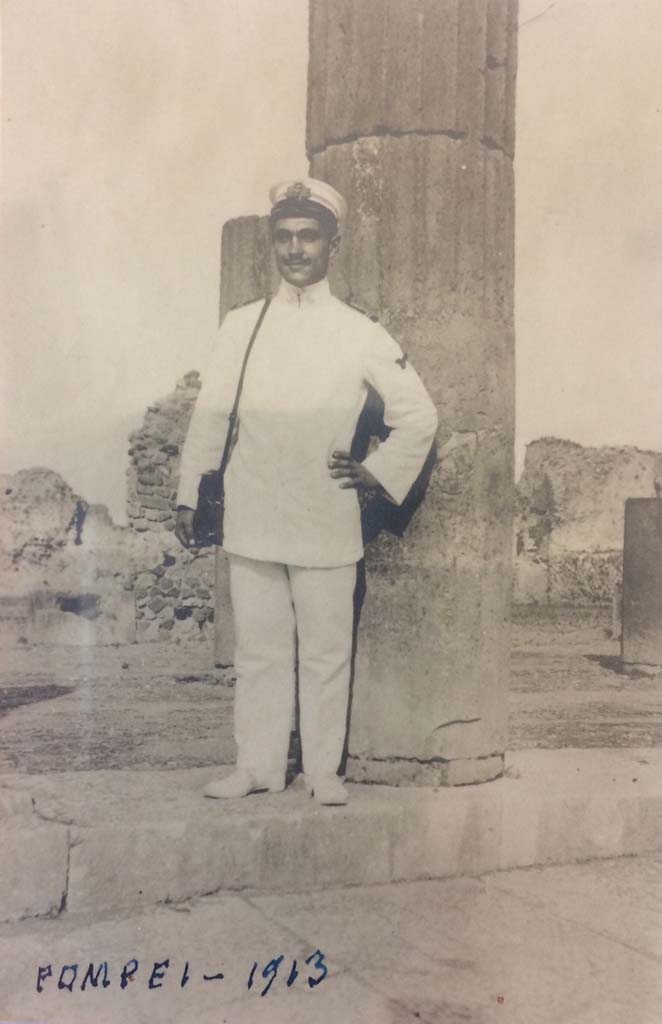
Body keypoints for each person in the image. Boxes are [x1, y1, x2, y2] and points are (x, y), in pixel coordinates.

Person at [175, 178, 437, 805]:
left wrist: (378, 472)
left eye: (309, 237)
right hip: (255, 505)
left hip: (323, 513)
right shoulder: (242, 325)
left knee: (324, 651)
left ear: (332, 245)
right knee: (259, 651)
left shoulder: (358, 331)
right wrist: (190, 490)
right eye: (284, 237)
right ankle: (257, 766)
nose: (295, 250)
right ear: (273, 243)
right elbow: (211, 413)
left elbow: (419, 414)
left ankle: (323, 771)